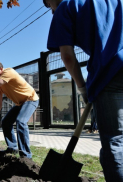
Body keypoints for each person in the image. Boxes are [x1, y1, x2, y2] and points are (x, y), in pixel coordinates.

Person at [43, 0, 123, 181]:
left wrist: (82, 88)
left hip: (112, 71)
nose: (51, 12)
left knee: (115, 140)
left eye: (49, 6)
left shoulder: (66, 7)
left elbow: (67, 57)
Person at [0, 60, 39, 159]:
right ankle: (12, 147)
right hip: (20, 103)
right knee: (6, 122)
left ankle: (26, 155)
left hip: (30, 99)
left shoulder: (8, 72)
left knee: (21, 121)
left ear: (1, 69)